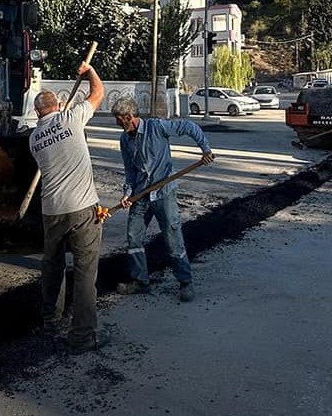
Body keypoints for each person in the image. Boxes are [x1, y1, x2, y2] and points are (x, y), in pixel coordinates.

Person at [29, 61, 109, 354]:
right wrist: (89, 70)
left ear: (37, 113)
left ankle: (51, 318)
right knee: (86, 271)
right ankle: (82, 336)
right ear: (59, 104)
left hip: (51, 210)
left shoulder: (34, 138)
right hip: (82, 208)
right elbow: (98, 93)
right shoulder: (72, 119)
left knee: (52, 266)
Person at [111, 97, 215, 302]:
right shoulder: (124, 140)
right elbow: (130, 171)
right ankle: (141, 281)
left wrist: (205, 149)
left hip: (163, 192)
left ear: (129, 117)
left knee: (172, 236)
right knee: (134, 236)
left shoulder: (157, 127)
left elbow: (188, 126)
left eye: (118, 119)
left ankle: (185, 282)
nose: (116, 123)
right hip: (140, 195)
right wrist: (127, 193)